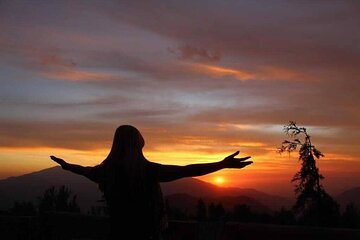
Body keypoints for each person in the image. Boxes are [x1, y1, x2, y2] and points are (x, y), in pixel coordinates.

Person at [50, 125, 253, 239]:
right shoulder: (147, 171)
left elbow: (86, 171)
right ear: (137, 146)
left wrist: (68, 166)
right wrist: (222, 164)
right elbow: (187, 170)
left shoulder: (106, 172)